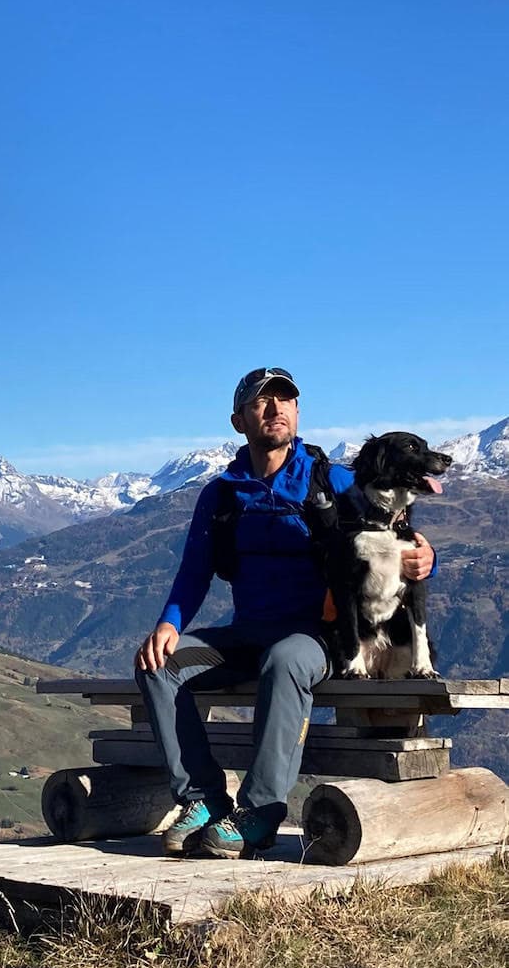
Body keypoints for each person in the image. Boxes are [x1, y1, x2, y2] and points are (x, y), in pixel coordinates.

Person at [134, 367, 436, 859]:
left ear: (297, 413)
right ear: (239, 421)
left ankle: (260, 811)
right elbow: (195, 572)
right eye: (261, 402)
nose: (275, 409)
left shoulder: (334, 481)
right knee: (157, 664)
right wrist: (168, 624)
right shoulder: (223, 494)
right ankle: (203, 799)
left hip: (318, 637)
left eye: (285, 400)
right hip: (247, 634)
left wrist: (429, 559)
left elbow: (396, 537)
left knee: (285, 660)